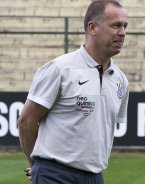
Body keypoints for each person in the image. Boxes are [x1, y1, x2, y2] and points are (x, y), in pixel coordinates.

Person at [17, 0, 129, 183]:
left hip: (95, 176)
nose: (122, 33)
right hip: (55, 175)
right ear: (92, 28)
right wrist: (37, 165)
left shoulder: (120, 80)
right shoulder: (60, 69)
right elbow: (26, 121)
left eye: (125, 26)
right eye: (115, 25)